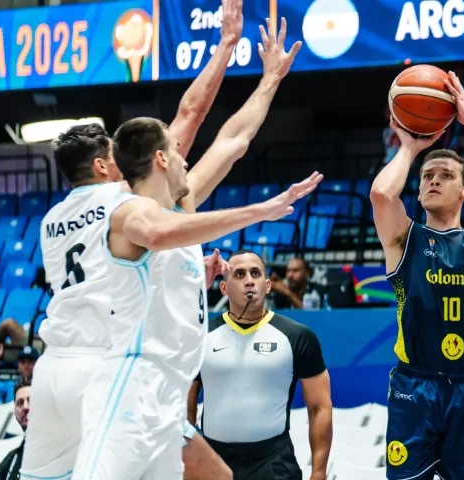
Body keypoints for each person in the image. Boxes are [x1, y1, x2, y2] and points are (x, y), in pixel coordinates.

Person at [73, 17, 313, 480]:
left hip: (162, 390)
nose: (188, 157)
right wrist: (258, 210)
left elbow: (233, 141)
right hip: (129, 387)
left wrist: (269, 81)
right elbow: (190, 122)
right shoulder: (129, 213)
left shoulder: (180, 208)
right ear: (162, 159)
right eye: (179, 152)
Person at [20, 1, 246, 478]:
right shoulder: (123, 201)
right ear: (103, 166)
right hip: (106, 369)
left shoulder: (50, 220)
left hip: (52, 368)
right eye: (112, 151)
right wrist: (226, 45)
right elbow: (190, 113)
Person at [369, 71, 464, 480]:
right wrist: (410, 146)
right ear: (418, 191)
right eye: (427, 177)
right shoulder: (405, 239)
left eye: (446, 176)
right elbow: (382, 195)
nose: (434, 180)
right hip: (415, 384)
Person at [188, 250, 332, 480]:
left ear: (267, 286)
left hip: (274, 462)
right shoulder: (200, 336)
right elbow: (187, 409)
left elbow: (320, 408)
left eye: (255, 273)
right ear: (224, 288)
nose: (249, 280)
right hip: (212, 459)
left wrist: (318, 473)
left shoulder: (298, 336)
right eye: (239, 274)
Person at [0, 380, 31, 480]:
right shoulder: (8, 463)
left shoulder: (59, 453)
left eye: (31, 400)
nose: (25, 407)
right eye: (20, 403)